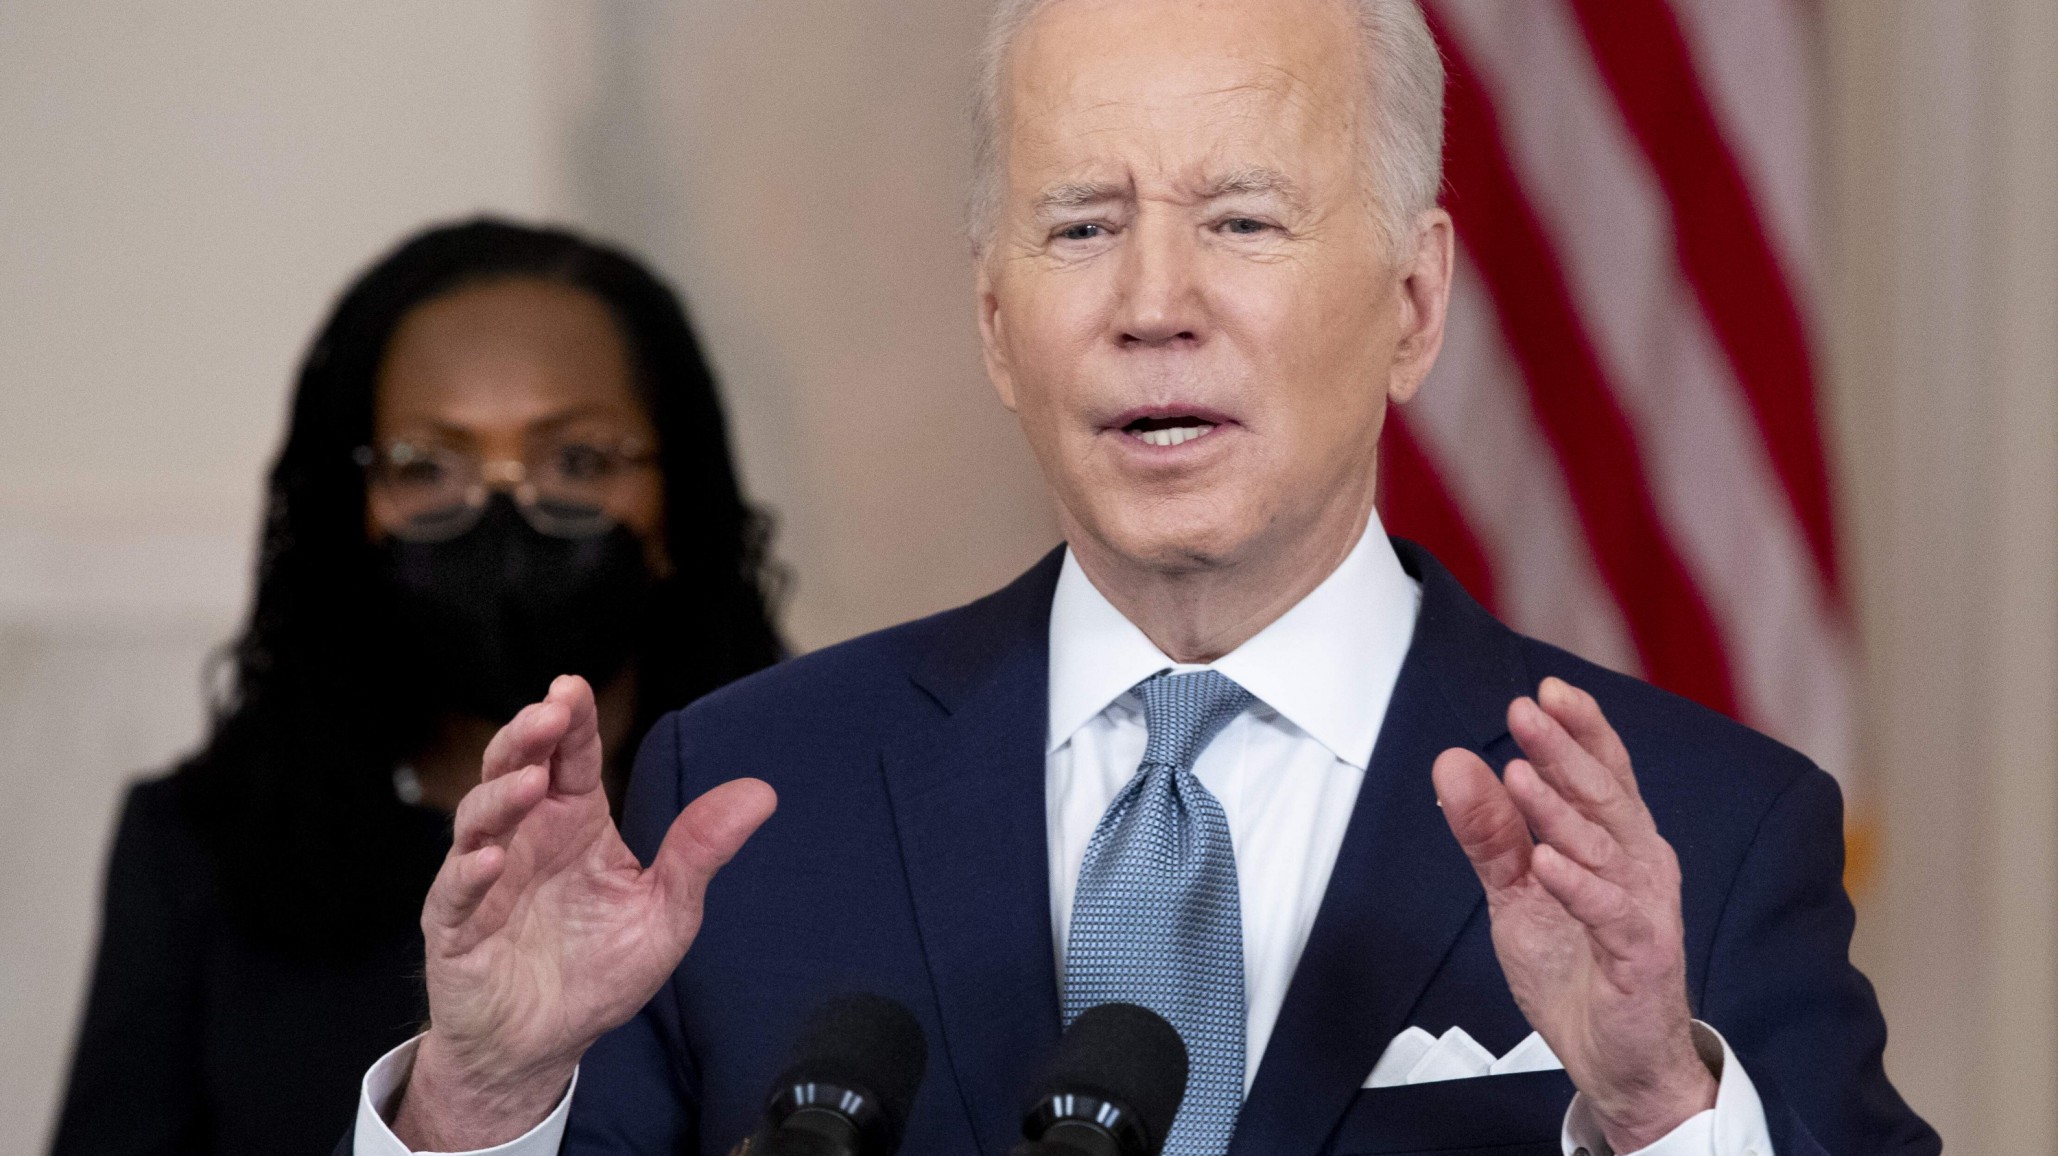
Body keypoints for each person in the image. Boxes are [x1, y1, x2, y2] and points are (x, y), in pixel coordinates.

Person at [351, 2, 1939, 1154]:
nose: (1152, 302)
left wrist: (1660, 1112)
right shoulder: (752, 799)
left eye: (1241, 219)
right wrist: (482, 1105)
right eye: (1080, 226)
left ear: (1411, 301)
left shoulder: (1705, 831)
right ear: (993, 324)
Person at [52, 219, 785, 1156]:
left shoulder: (792, 822)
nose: (502, 511)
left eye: (578, 460)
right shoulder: (203, 853)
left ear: (679, 503)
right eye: (427, 467)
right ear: (348, 514)